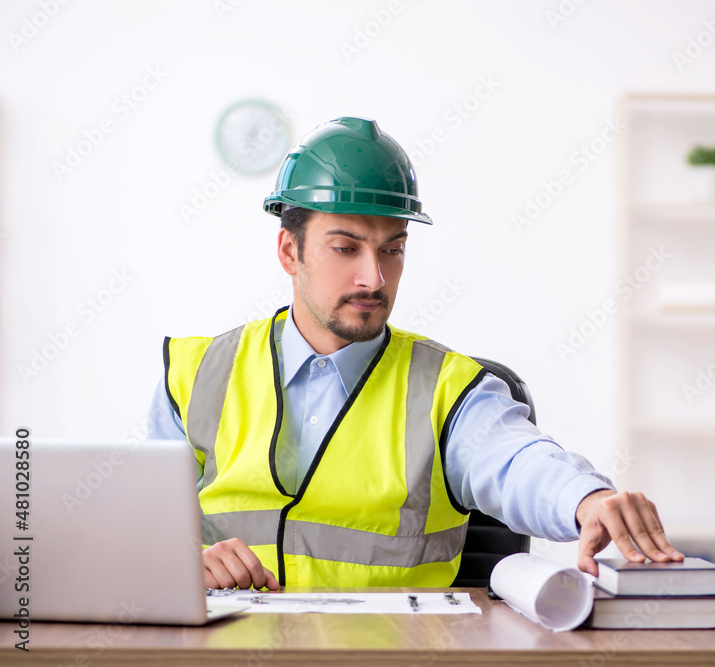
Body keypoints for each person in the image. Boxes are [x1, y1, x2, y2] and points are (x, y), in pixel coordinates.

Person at [148, 116, 683, 590]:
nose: (373, 277)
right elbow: (145, 532)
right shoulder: (196, 376)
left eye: (393, 250)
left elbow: (517, 460)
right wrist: (186, 563)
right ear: (290, 250)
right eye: (345, 247)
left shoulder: (450, 389)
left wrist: (586, 499)